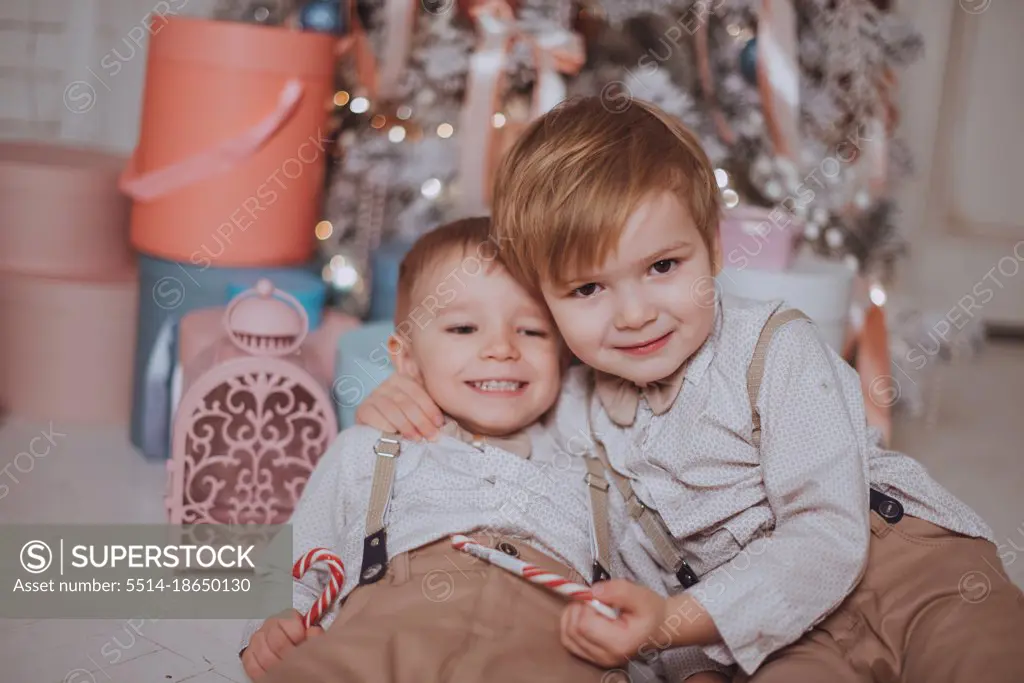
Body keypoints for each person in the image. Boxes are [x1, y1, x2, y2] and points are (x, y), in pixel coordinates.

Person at [354, 97, 1024, 682]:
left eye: (663, 266)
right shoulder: (573, 416)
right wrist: (410, 398)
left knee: (985, 660)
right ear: (546, 299)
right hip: (779, 637)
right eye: (588, 288)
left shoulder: (772, 347)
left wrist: (674, 622)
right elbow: (632, 559)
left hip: (902, 566)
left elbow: (828, 532)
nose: (636, 312)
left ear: (713, 248)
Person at [239, 217, 727, 683]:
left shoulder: (595, 466)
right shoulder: (371, 447)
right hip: (384, 626)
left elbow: (654, 593)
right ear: (406, 357)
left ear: (563, 353)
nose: (501, 349)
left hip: (559, 642)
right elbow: (294, 560)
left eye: (531, 331)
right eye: (463, 329)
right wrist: (271, 621)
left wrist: (694, 669)